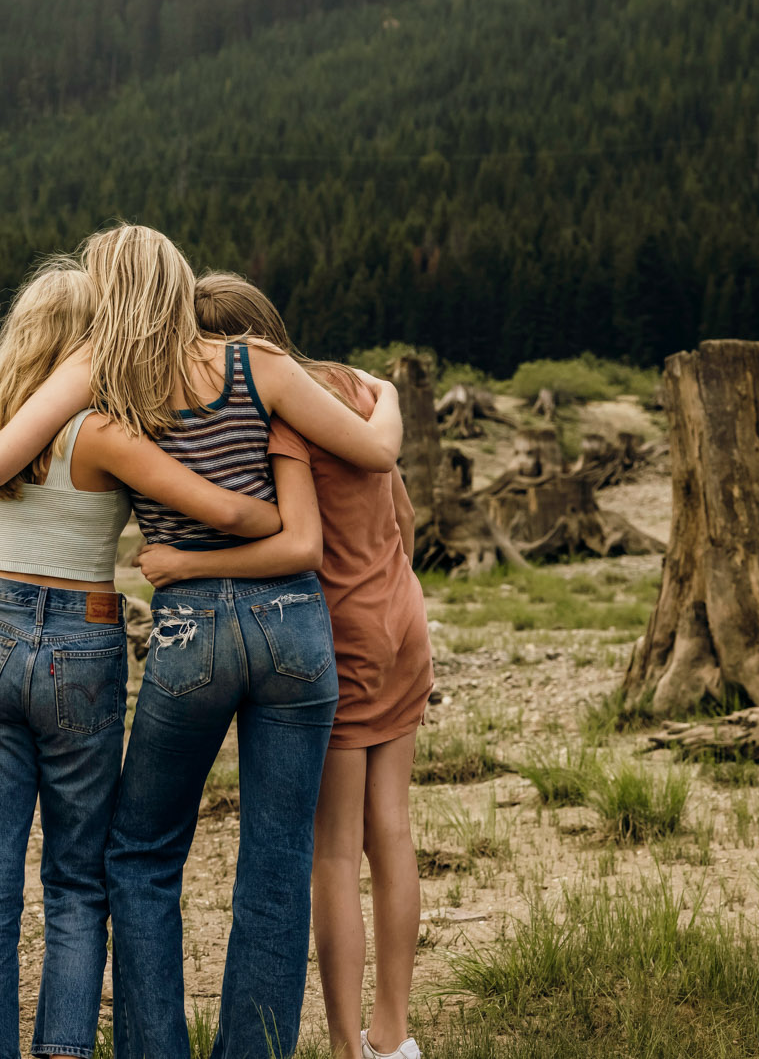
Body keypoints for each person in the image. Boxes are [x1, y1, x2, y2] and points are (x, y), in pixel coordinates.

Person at [0, 224, 402, 1059]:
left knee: (140, 853)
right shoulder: (260, 366)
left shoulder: (102, 378)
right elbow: (375, 452)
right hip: (294, 625)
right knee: (278, 862)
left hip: (192, 629)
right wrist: (385, 392)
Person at [0, 258, 286, 1059]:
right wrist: (276, 514)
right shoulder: (107, 432)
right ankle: (63, 1049)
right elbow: (222, 509)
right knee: (75, 879)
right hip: (82, 645)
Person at [141, 273, 430, 1059]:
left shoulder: (275, 417)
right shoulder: (343, 391)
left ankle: (346, 1046)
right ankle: (394, 1036)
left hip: (340, 632)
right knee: (393, 830)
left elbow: (288, 535)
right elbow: (401, 513)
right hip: (402, 617)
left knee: (334, 847)